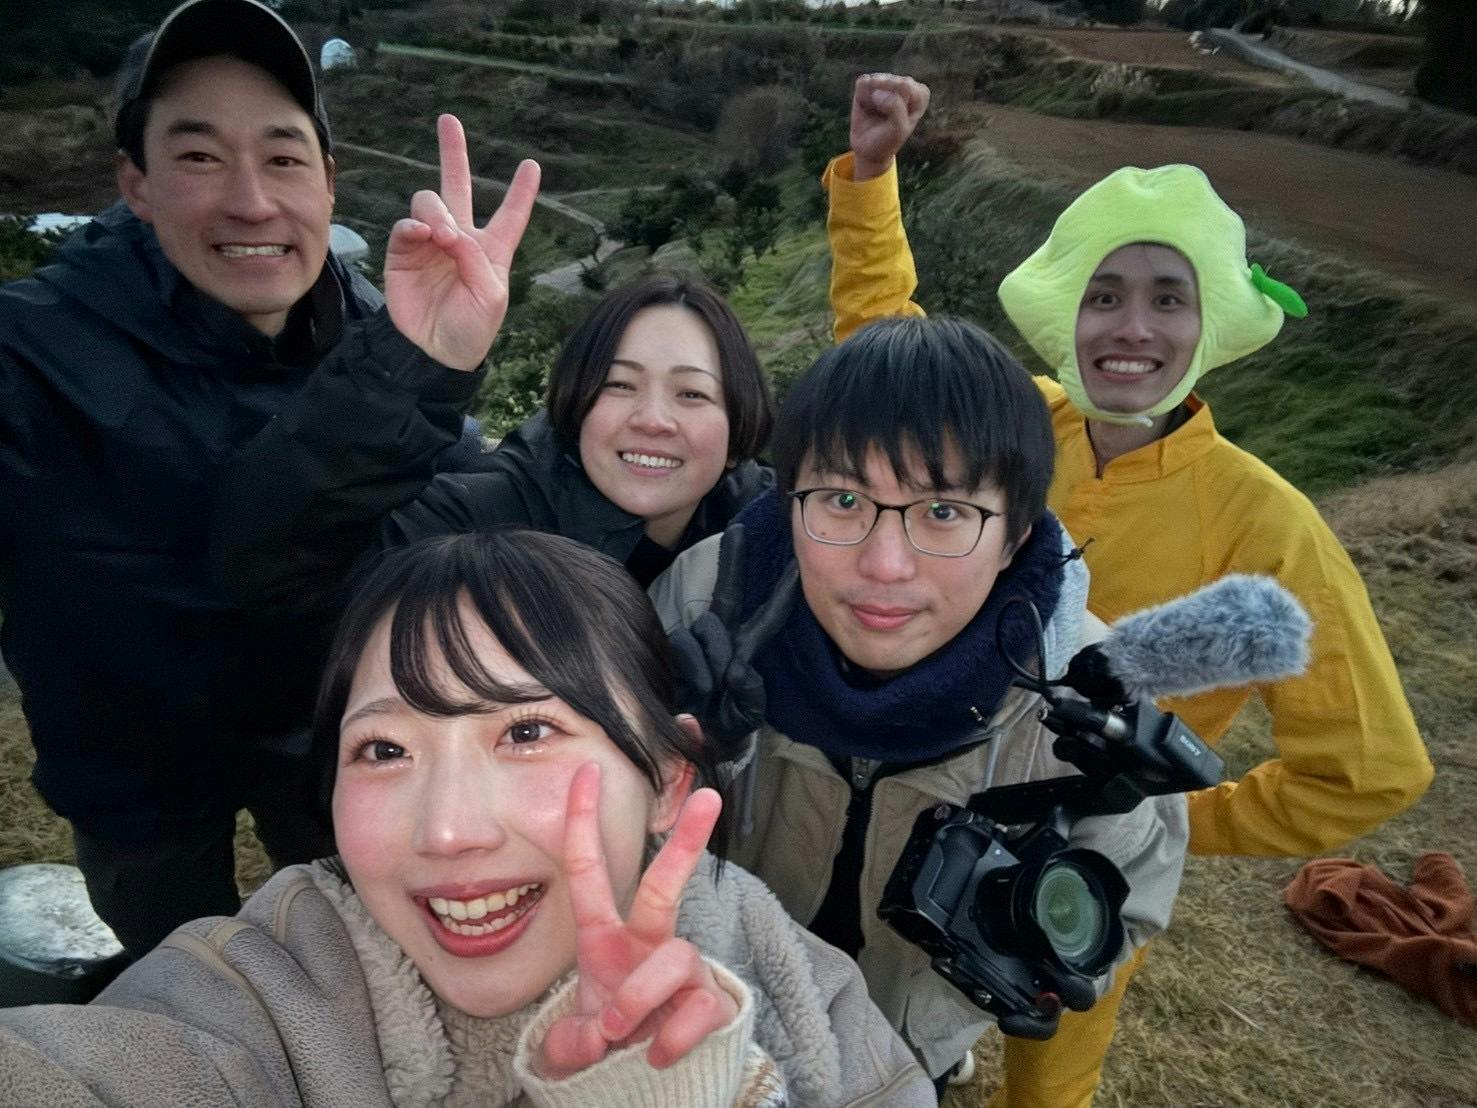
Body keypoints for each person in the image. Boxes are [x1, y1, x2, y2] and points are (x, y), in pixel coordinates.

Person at [823, 72, 1434, 1106]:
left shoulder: (1267, 524)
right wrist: (872, 176)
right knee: (878, 1004)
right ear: (1069, 308)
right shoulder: (1018, 425)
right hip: (924, 788)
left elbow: (1368, 771)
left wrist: (1171, 816)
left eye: (1167, 298)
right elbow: (891, 361)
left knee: (1049, 1071)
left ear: (1210, 323)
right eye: (1105, 295)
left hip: (1083, 859)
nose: (1130, 328)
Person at [0, 530, 934, 1107]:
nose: (446, 831)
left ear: (663, 778)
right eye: (384, 750)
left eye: (525, 731)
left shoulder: (815, 1004)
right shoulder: (251, 997)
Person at [0, 0, 541, 958]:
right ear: (135, 182)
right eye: (199, 156)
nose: (251, 201)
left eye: (284, 157)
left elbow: (455, 487)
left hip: (315, 737)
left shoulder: (374, 323)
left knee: (358, 952)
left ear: (329, 180)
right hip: (135, 778)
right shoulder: (32, 351)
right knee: (175, 977)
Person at [649, 315, 1189, 1094]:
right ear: (789, 498)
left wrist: (1013, 964)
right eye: (842, 499)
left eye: (942, 512)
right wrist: (687, 754)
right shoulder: (699, 609)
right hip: (713, 1016)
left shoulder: (1090, 698)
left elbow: (1127, 892)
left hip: (904, 1056)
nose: (884, 565)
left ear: (1015, 535)